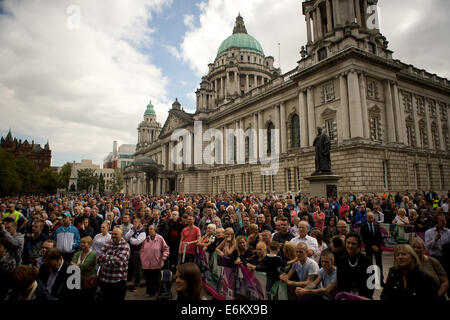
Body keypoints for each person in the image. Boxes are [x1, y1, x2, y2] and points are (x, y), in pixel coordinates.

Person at [336, 231, 373, 299]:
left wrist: (363, 297)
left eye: (353, 244)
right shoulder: (341, 260)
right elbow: (340, 283)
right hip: (345, 296)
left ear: (358, 245)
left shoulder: (367, 261)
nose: (350, 246)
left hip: (363, 296)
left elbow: (371, 284)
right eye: (348, 243)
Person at [97, 227, 131, 301]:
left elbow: (119, 262)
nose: (113, 235)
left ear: (121, 235)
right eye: (112, 234)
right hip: (104, 280)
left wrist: (106, 261)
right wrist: (113, 257)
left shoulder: (125, 245)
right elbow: (99, 257)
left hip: (118, 281)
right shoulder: (108, 242)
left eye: (115, 234)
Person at [140, 224, 170, 297]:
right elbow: (142, 249)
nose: (150, 230)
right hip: (146, 262)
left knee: (156, 279)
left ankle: (157, 291)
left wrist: (164, 256)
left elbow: (166, 249)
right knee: (148, 279)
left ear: (155, 230)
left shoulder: (160, 238)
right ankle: (149, 292)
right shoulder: (147, 238)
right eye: (149, 229)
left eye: (151, 229)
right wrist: (142, 256)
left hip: (156, 262)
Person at [360, 212, 384, 285]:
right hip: (369, 247)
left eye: (372, 217)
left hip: (377, 247)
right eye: (369, 217)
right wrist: (371, 246)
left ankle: (380, 280)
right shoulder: (363, 226)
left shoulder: (377, 225)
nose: (370, 218)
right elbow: (364, 238)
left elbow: (380, 237)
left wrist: (377, 246)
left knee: (379, 264)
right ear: (366, 218)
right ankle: (371, 280)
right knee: (369, 264)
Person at [124, 217, 146, 291]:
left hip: (138, 252)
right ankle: (131, 280)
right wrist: (132, 231)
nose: (134, 223)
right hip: (130, 251)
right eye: (133, 222)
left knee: (137, 269)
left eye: (136, 222)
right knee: (131, 267)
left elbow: (137, 242)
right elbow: (126, 237)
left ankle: (137, 284)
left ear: (140, 223)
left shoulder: (143, 232)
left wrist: (130, 239)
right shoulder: (132, 230)